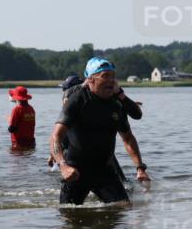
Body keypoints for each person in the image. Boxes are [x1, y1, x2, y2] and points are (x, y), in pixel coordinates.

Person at [50, 57, 150, 205]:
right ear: (91, 79)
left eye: (113, 76)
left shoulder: (116, 104)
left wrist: (140, 168)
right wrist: (63, 166)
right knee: (69, 218)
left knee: (123, 208)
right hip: (76, 173)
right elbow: (55, 136)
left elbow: (128, 138)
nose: (111, 81)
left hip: (105, 171)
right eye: (105, 76)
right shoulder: (77, 100)